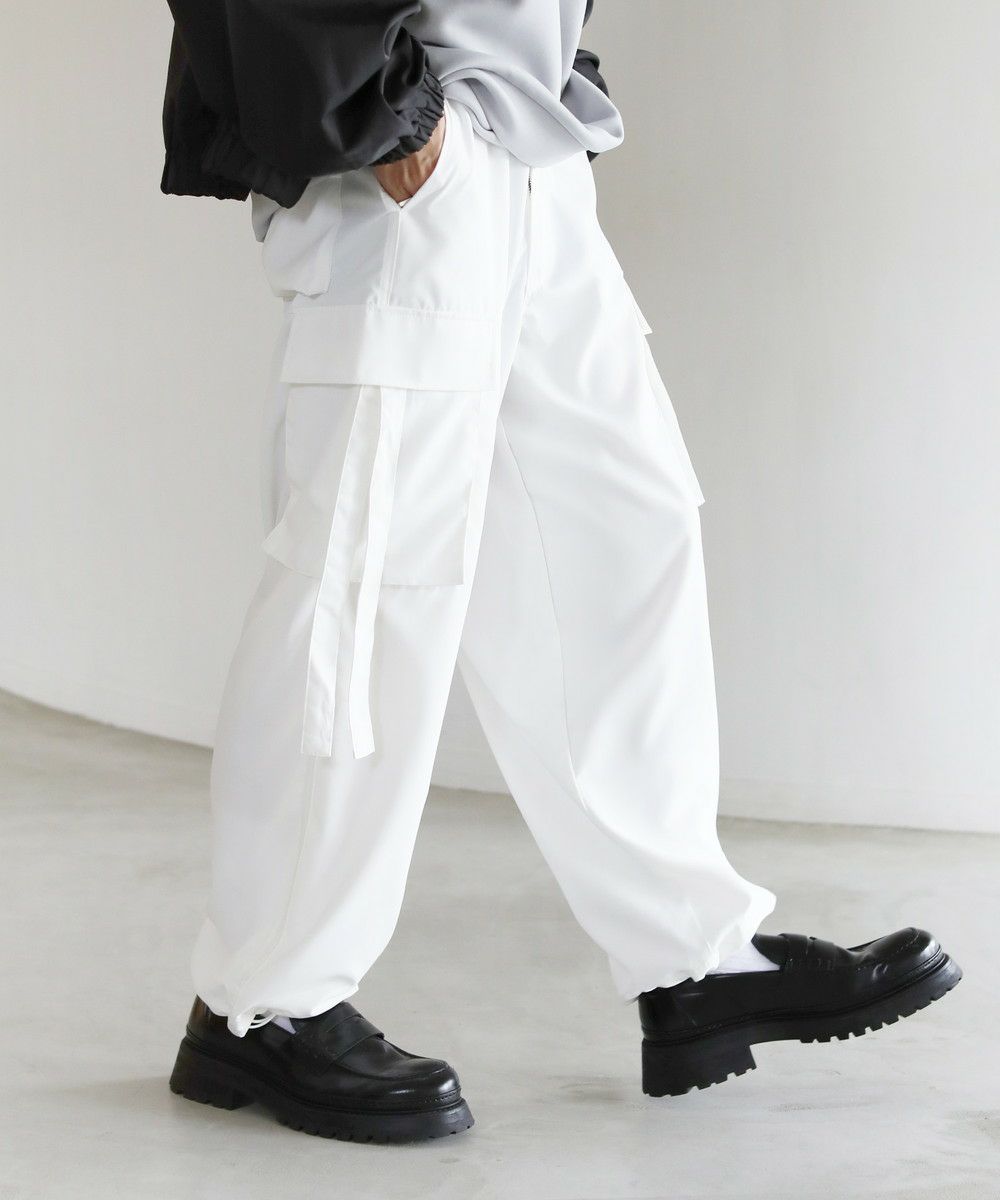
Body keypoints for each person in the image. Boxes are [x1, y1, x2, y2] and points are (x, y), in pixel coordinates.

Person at [159, 0, 961, 1143]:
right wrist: (385, 116)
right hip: (404, 156)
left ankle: (689, 957)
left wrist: (542, 87)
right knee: (367, 588)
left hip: (528, 145)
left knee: (618, 535)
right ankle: (262, 999)